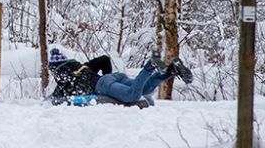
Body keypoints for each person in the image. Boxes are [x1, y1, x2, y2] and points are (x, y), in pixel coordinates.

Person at [48, 48, 194, 106]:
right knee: (145, 88)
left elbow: (55, 99)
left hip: (103, 85)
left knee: (133, 95)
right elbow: (104, 59)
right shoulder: (83, 66)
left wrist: (107, 88)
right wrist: (108, 78)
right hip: (115, 77)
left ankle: (150, 66)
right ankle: (171, 71)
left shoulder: (64, 77)